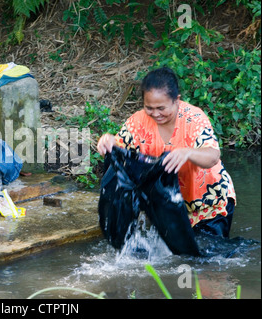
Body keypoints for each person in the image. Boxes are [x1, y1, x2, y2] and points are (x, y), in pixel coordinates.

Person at [97, 67, 236, 238]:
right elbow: (119, 156)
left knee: (206, 259)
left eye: (161, 108)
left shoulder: (193, 119)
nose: (155, 114)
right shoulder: (138, 122)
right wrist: (108, 142)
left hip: (209, 205)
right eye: (149, 108)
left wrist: (188, 153)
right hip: (169, 205)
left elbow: (213, 156)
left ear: (176, 100)